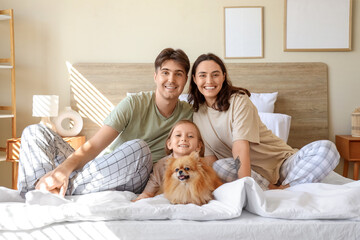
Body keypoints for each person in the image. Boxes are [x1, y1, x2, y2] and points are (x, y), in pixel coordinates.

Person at [17, 48, 193, 197]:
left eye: (178, 74)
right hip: (100, 168)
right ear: (155, 76)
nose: (171, 80)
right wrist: (63, 170)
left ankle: (55, 189)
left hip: (137, 175)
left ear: (185, 80)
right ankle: (35, 193)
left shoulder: (190, 114)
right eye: (165, 73)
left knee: (140, 148)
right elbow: (93, 146)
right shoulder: (133, 104)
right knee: (35, 131)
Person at [188, 53, 339, 190]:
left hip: (283, 165)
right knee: (217, 167)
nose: (209, 81)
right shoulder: (196, 114)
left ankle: (284, 189)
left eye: (215, 75)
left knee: (327, 148)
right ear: (194, 79)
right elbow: (210, 159)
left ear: (223, 77)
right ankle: (278, 188)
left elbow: (240, 147)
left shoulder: (239, 100)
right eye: (202, 75)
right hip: (254, 175)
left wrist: (247, 189)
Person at [133, 119, 204, 201]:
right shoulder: (161, 165)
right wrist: (142, 198)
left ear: (199, 146)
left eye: (190, 136)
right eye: (178, 135)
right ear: (169, 144)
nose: (184, 139)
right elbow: (149, 191)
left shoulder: (201, 166)